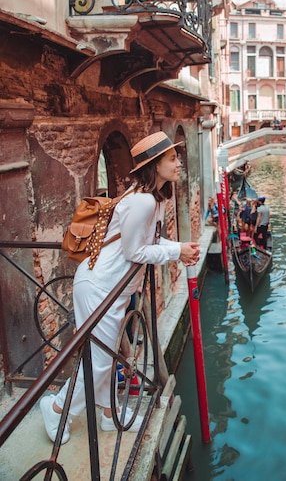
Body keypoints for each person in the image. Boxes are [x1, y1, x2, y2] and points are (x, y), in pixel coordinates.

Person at [40, 131, 200, 444]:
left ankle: (109, 414)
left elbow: (149, 243)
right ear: (155, 165)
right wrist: (175, 252)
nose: (178, 162)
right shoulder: (140, 201)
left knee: (108, 357)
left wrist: (180, 246)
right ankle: (58, 407)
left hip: (113, 288)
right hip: (99, 286)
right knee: (100, 361)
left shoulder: (153, 200)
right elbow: (134, 252)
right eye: (171, 158)